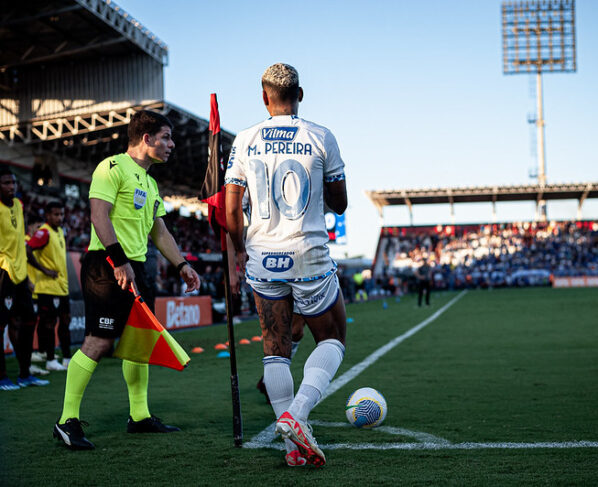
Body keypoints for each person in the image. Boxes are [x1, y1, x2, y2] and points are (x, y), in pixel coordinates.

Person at [53, 110, 201, 450]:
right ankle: (66, 420)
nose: (171, 145)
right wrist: (118, 261)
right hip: (106, 264)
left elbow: (159, 231)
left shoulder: (150, 182)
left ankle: (139, 416)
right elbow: (98, 215)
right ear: (146, 139)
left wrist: (182, 265)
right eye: (166, 137)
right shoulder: (111, 167)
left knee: (138, 342)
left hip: (137, 267)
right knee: (99, 341)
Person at [225, 63, 347, 467]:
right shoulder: (321, 135)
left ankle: (293, 446)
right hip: (307, 252)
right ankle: (298, 415)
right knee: (332, 340)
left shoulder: (244, 140)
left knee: (275, 351)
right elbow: (340, 202)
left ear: (264, 97)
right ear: (300, 94)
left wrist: (240, 251)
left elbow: (229, 213)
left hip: (263, 256)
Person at [0, 167, 53, 390]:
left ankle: (25, 373)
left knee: (29, 321)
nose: (12, 186)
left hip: (21, 275)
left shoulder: (19, 205)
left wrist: (27, 274)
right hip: (3, 272)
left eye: (13, 182)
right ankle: (2, 377)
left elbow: (20, 240)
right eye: (6, 183)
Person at [27, 201, 71, 371]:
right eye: (55, 214)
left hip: (62, 286)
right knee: (49, 324)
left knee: (66, 321)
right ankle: (50, 360)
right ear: (47, 215)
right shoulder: (43, 232)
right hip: (48, 288)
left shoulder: (59, 231)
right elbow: (28, 251)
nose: (59, 218)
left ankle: (67, 358)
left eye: (61, 214)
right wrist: (44, 269)